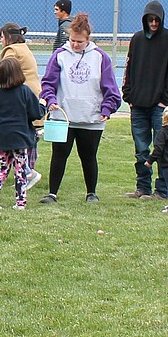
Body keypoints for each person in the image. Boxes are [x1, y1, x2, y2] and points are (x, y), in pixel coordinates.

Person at [38, 12, 121, 204]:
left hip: (91, 119)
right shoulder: (59, 55)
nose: (75, 44)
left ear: (88, 39)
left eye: (80, 41)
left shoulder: (101, 57)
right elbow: (48, 83)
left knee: (88, 156)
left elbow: (110, 88)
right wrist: (50, 100)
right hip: (63, 117)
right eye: (73, 40)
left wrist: (107, 109)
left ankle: (91, 193)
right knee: (59, 155)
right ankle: (52, 193)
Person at [121, 1, 168, 200]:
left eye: (157, 19)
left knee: (162, 149)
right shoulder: (137, 39)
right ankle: (143, 187)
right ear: (145, 20)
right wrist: (129, 96)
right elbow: (129, 68)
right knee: (141, 149)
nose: (154, 23)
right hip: (138, 105)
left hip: (159, 107)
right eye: (150, 19)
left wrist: (165, 100)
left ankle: (162, 190)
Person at [0, 23, 42, 184]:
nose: (0, 41)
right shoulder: (24, 48)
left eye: (1, 37)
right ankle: (26, 172)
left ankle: (27, 172)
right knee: (29, 137)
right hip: (31, 95)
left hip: (20, 99)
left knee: (18, 140)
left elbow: (4, 75)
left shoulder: (12, 51)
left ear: (8, 37)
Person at [0, 57, 44, 210]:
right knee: (20, 168)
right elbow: (35, 113)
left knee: (4, 166)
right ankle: (20, 202)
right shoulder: (25, 91)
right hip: (20, 137)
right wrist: (42, 106)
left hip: (2, 137)